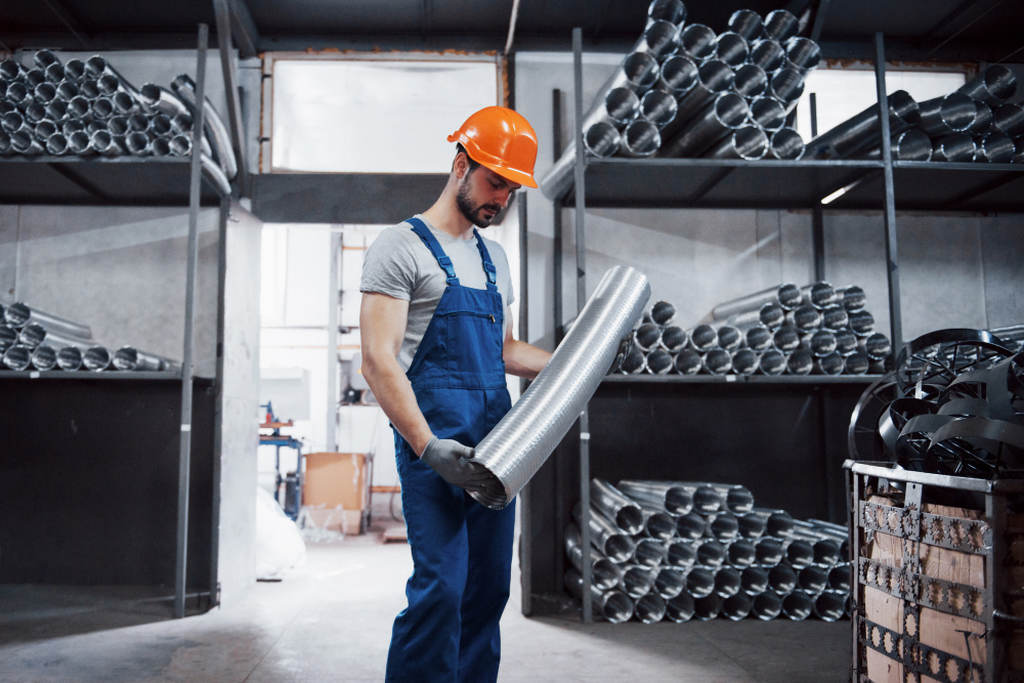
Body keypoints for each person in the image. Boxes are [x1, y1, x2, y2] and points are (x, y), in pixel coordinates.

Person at [359, 106, 552, 682]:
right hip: (436, 445)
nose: (501, 199)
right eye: (495, 182)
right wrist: (426, 446)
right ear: (460, 164)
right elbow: (377, 359)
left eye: (512, 190)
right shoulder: (400, 247)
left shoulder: (495, 258)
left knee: (488, 590)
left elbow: (503, 350)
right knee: (441, 589)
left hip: (499, 445)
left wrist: (577, 366)